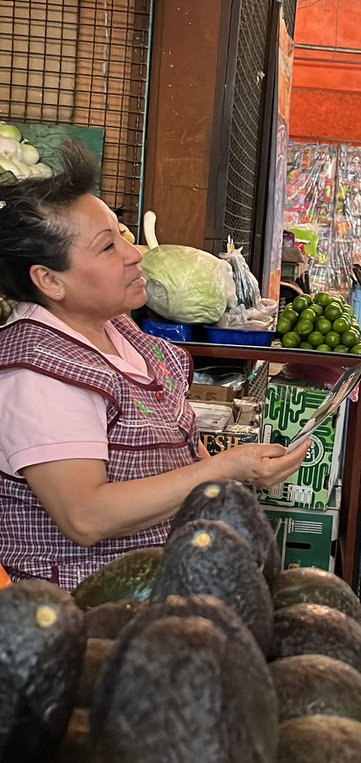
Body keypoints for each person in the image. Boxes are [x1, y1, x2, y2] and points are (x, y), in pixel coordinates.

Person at [0, 144, 310, 590]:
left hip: (161, 587)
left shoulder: (118, 329)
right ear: (50, 280)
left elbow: (182, 445)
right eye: (108, 247)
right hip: (85, 615)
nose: (134, 254)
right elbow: (86, 516)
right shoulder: (38, 372)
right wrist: (226, 469)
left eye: (123, 234)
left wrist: (233, 469)